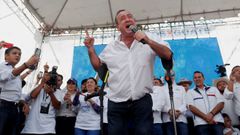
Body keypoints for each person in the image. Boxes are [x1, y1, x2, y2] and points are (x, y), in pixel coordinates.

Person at [84, 9, 172, 135]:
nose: (128, 19)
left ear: (134, 22)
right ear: (118, 27)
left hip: (142, 101)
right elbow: (98, 66)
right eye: (123, 18)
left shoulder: (149, 38)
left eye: (130, 16)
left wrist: (148, 41)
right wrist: (91, 50)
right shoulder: (111, 47)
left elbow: (168, 54)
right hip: (116, 102)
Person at [0, 46, 39, 135]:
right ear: (6, 56)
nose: (17, 55)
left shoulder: (14, 70)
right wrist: (26, 65)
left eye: (19, 54)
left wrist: (23, 102)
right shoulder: (2, 66)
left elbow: (16, 87)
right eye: (14, 53)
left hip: (14, 108)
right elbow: (8, 76)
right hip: (3, 107)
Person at [21, 70, 63, 134]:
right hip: (31, 128)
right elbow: (32, 95)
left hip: (48, 129)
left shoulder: (59, 92)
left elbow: (57, 106)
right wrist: (42, 82)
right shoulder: (39, 87)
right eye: (49, 77)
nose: (51, 79)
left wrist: (51, 93)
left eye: (54, 79)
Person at [186, 71, 224, 135]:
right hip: (200, 124)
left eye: (199, 77)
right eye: (195, 78)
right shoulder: (190, 92)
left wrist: (211, 114)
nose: (197, 79)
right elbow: (191, 107)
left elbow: (221, 103)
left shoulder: (213, 89)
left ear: (203, 78)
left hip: (217, 122)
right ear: (193, 80)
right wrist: (206, 117)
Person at [162, 71, 188, 135]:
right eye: (168, 75)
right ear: (166, 77)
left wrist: (178, 112)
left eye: (172, 75)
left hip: (181, 120)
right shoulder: (161, 89)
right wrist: (169, 111)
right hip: (167, 120)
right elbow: (161, 104)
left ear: (174, 76)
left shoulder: (181, 88)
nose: (171, 77)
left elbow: (185, 103)